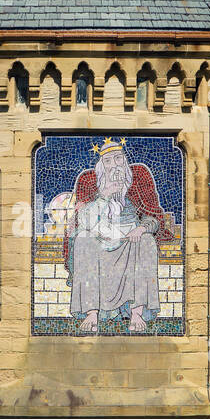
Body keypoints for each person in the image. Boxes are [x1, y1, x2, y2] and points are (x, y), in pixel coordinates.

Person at [69, 140, 161, 333]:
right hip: (100, 241)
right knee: (83, 240)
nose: (115, 165)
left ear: (125, 161)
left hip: (130, 240)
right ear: (102, 166)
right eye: (109, 161)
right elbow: (83, 221)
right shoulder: (90, 182)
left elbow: (153, 217)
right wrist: (104, 195)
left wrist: (142, 228)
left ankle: (136, 313)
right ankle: (91, 312)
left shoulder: (138, 179)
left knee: (147, 241)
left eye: (118, 158)